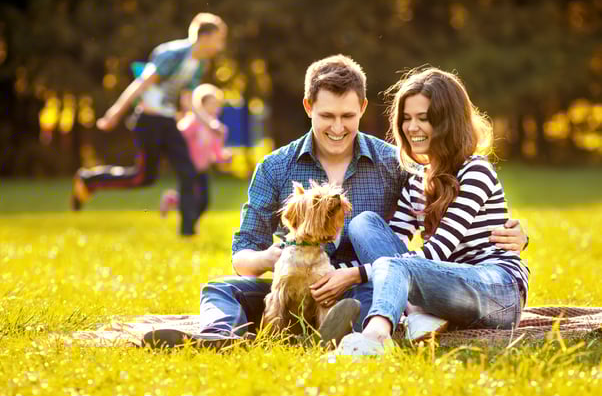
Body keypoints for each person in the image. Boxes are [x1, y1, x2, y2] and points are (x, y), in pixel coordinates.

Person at [142, 56, 528, 348]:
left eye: (348, 115)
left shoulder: (394, 163)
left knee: (364, 256)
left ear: (362, 108)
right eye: (327, 116)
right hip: (293, 283)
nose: (338, 127)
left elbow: (436, 223)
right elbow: (242, 254)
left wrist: (517, 234)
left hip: (360, 285)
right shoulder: (276, 167)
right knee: (220, 288)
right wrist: (272, 259)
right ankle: (218, 338)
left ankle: (353, 329)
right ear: (308, 107)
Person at [336, 67, 531, 355]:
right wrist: (329, 273)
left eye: (423, 119)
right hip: (446, 287)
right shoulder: (416, 180)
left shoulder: (476, 171)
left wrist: (355, 275)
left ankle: (376, 336)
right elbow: (394, 245)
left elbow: (438, 251)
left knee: (394, 266)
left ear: (448, 122)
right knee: (364, 224)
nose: (411, 127)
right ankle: (418, 312)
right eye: (406, 118)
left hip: (497, 289)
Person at [70, 13, 228, 236]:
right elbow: (142, 83)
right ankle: (88, 181)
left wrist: (208, 122)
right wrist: (116, 111)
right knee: (142, 178)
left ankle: (188, 233)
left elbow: (187, 101)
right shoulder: (173, 54)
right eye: (219, 39)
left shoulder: (199, 64)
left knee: (188, 171)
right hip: (149, 121)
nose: (220, 46)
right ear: (205, 36)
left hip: (168, 121)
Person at [159, 83, 231, 218]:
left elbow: (216, 152)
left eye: (217, 104)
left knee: (203, 202)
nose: (215, 108)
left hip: (202, 169)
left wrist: (224, 157)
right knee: (189, 198)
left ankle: (172, 200)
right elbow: (178, 138)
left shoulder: (216, 128)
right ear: (201, 106)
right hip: (188, 166)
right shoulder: (192, 122)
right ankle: (189, 227)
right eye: (211, 104)